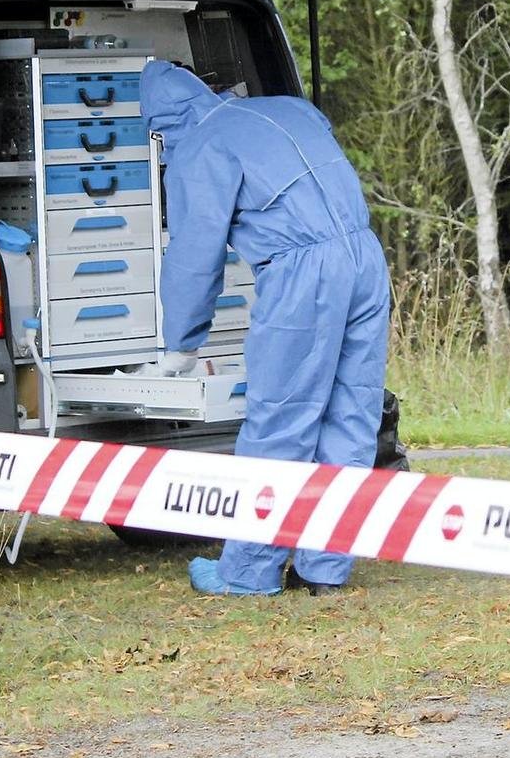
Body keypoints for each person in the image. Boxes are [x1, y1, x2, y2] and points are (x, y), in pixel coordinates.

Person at [138, 60, 391, 597]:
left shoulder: (198, 148)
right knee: (351, 414)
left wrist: (181, 342)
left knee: (281, 419)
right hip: (366, 256)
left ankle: (248, 572)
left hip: (304, 272)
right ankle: (324, 569)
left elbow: (194, 254)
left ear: (161, 126)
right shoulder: (285, 108)